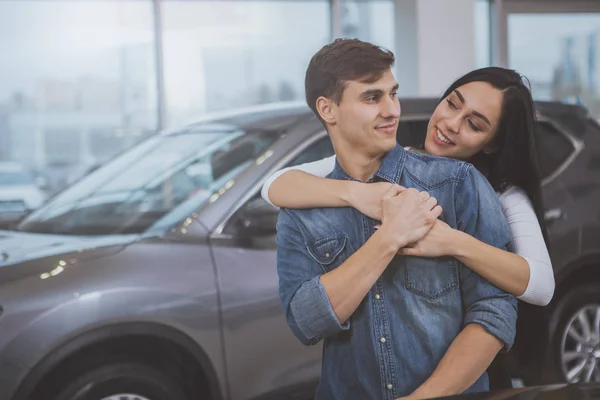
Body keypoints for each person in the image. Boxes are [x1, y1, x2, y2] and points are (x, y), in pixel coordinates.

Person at [263, 66, 555, 389]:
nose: (451, 123)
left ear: (491, 144)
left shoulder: (498, 192)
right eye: (452, 104)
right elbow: (276, 185)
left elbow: (539, 286)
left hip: (475, 371)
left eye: (473, 124)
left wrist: (450, 241)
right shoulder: (389, 167)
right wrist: (361, 194)